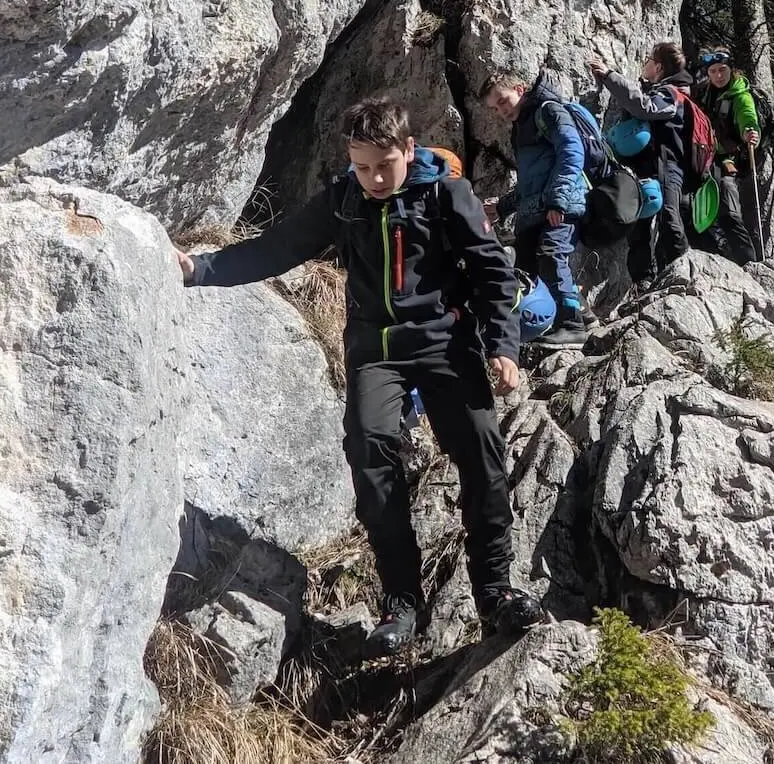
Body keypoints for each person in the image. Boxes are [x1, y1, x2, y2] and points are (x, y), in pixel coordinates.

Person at [175, 98, 544, 654]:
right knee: (371, 453)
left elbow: (493, 272)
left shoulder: (445, 194)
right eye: (361, 164)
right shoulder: (345, 200)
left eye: (384, 165)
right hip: (377, 349)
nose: (373, 177)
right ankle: (402, 602)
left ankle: (494, 594)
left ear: (408, 152)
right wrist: (199, 269)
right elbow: (280, 248)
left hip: (446, 341)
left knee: (481, 452)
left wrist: (503, 346)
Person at [480, 70, 593, 348]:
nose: (501, 111)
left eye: (503, 102)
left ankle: (572, 325)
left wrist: (558, 200)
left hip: (559, 205)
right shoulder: (522, 127)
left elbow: (572, 151)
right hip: (535, 211)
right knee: (526, 270)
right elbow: (530, 181)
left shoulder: (549, 110)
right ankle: (577, 314)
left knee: (552, 255)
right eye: (495, 108)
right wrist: (503, 207)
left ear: (520, 88)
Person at [589, 41, 696, 288]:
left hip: (668, 166)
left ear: (657, 66)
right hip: (647, 167)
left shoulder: (671, 94)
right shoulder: (658, 90)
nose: (644, 64)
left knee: (669, 219)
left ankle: (681, 274)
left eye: (648, 60)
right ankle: (644, 282)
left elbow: (644, 107)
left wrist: (610, 77)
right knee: (639, 222)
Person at [694, 49, 760, 265]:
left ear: (731, 70)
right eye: (713, 71)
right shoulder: (703, 92)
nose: (718, 75)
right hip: (703, 159)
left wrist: (750, 131)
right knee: (699, 213)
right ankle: (712, 260)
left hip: (727, 161)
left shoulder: (740, 95)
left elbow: (747, 116)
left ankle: (749, 264)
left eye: (722, 70)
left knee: (729, 213)